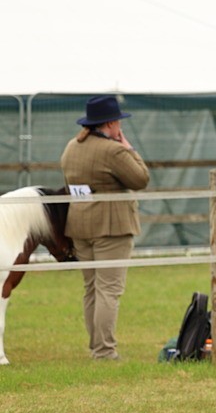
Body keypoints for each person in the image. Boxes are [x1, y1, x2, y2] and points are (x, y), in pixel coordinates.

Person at [60, 95, 150, 360]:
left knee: (91, 288)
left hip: (79, 224)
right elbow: (141, 178)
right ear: (110, 123)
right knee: (109, 289)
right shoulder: (113, 151)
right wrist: (129, 148)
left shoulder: (71, 148)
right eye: (118, 122)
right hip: (111, 226)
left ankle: (96, 347)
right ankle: (104, 351)